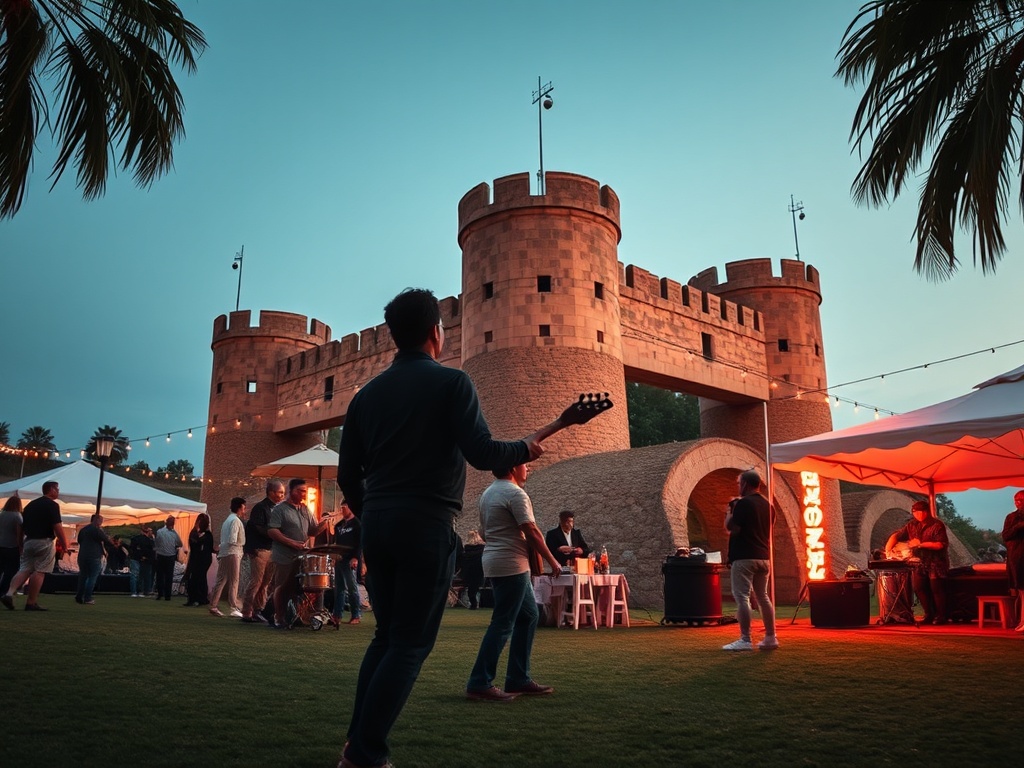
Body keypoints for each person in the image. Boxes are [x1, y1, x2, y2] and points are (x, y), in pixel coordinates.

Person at [336, 288, 578, 768]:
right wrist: (527, 447)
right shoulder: (453, 383)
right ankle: (365, 755)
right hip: (424, 525)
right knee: (407, 645)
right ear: (435, 333)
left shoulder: (365, 398)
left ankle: (356, 747)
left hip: (378, 525)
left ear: (394, 336)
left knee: (386, 638)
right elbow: (484, 454)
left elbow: (347, 477)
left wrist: (373, 515)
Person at [466, 463, 561, 702]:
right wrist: (552, 561)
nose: (528, 469)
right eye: (524, 465)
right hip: (511, 563)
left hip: (495, 560)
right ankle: (480, 682)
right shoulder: (515, 493)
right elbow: (531, 530)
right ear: (512, 468)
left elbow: (485, 532)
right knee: (503, 623)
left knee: (528, 616)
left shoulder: (488, 493)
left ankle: (518, 678)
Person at [722, 469, 778, 651]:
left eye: (739, 483)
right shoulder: (768, 506)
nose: (738, 486)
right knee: (763, 597)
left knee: (742, 596)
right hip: (763, 556)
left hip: (744, 556)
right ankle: (770, 638)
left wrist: (729, 511)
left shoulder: (743, 504)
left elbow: (732, 528)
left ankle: (745, 639)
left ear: (745, 484)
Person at [267, 478, 334, 628]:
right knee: (282, 586)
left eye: (305, 491)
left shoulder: (305, 509)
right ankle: (279, 617)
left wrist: (325, 522)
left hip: (301, 556)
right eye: (300, 491)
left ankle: (297, 615)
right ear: (291, 491)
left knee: (296, 587)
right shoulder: (280, 509)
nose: (304, 494)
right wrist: (291, 542)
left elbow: (312, 530)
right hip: (284, 555)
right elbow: (272, 531)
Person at [2, 481, 69, 612]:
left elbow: (21, 526)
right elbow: (57, 526)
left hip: (29, 541)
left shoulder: (30, 505)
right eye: (57, 489)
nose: (58, 491)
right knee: (40, 571)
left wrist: (21, 544)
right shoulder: (52, 505)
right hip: (44, 541)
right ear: (51, 489)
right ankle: (31, 602)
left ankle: (9, 593)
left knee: (24, 569)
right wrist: (64, 544)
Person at [885, 500, 950, 625]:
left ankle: (941, 616)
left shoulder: (937, 525)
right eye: (915, 512)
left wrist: (920, 544)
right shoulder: (912, 525)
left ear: (926, 512)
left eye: (920, 512)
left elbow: (940, 545)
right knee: (919, 588)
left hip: (936, 562)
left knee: (936, 589)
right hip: (919, 563)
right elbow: (896, 536)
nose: (917, 515)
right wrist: (888, 549)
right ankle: (929, 614)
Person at [241, 479, 285, 623]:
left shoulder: (278, 509)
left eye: (283, 493)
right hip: (260, 549)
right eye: (280, 492)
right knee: (256, 581)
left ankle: (259, 609)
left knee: (265, 582)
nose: (282, 495)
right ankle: (247, 612)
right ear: (271, 492)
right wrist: (275, 534)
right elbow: (258, 528)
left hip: (271, 549)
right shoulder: (260, 508)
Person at [209, 497, 247, 617]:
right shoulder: (235, 521)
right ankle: (234, 606)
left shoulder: (227, 520)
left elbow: (226, 539)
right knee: (234, 580)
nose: (245, 510)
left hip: (225, 552)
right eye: (244, 507)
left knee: (222, 579)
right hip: (233, 552)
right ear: (240, 507)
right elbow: (232, 539)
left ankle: (214, 605)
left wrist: (221, 546)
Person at [330, 500, 362, 627]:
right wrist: (334, 556)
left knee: (352, 588)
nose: (342, 510)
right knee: (339, 589)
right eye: (341, 507)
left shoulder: (357, 524)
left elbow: (360, 543)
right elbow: (336, 542)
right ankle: (337, 615)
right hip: (339, 559)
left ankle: (356, 615)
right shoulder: (339, 525)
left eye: (344, 507)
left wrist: (356, 558)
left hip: (350, 560)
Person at [76, 513, 114, 605]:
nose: (101, 522)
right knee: (92, 577)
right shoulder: (97, 530)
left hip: (82, 555)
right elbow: (107, 541)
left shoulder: (83, 530)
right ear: (96, 520)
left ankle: (79, 596)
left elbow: (79, 541)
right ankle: (88, 597)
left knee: (83, 576)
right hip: (94, 555)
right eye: (101, 520)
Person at [1000, 490, 1024, 632]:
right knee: (1021, 589)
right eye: (1016, 500)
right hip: (1017, 557)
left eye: (1021, 500)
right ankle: (1021, 620)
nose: (1018, 502)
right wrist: (1018, 526)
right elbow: (1006, 535)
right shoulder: (1011, 517)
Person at [184, 513, 215, 607]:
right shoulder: (195, 533)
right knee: (197, 578)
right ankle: (197, 598)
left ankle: (198, 598)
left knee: (198, 577)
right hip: (197, 558)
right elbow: (194, 545)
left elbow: (208, 547)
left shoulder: (207, 535)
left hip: (203, 559)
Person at [154, 516, 183, 601]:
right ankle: (167, 595)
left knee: (160, 576)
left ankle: (160, 594)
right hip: (169, 556)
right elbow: (180, 544)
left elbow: (157, 543)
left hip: (162, 556)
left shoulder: (160, 532)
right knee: (168, 577)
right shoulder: (174, 533)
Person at [0, 496, 23, 596]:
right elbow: (19, 533)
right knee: (11, 571)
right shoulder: (17, 516)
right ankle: (4, 590)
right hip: (12, 546)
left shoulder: (1, 515)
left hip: (1, 545)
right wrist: (20, 547)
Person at [460, 530, 485, 610]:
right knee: (478, 588)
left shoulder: (467, 549)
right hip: (480, 571)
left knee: (471, 589)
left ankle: (473, 604)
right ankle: (478, 603)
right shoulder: (482, 549)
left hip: (469, 571)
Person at [129, 525, 156, 597]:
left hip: (135, 558)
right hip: (144, 559)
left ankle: (134, 592)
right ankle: (141, 591)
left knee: (135, 575)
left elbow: (132, 549)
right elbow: (152, 551)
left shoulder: (135, 539)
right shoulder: (149, 541)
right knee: (143, 576)